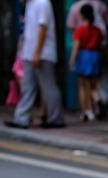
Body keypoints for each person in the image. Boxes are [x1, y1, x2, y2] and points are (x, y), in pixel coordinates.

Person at [6, 0, 65, 129]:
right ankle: (21, 118)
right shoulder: (29, 5)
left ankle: (56, 118)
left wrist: (37, 52)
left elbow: (43, 27)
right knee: (27, 87)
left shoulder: (42, 3)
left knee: (48, 86)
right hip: (28, 53)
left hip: (42, 53)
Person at [70, 4, 104, 122]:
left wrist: (72, 60)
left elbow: (76, 46)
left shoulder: (80, 30)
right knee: (94, 85)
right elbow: (101, 44)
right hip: (95, 56)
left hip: (84, 56)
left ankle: (87, 111)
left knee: (83, 85)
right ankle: (97, 100)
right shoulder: (97, 30)